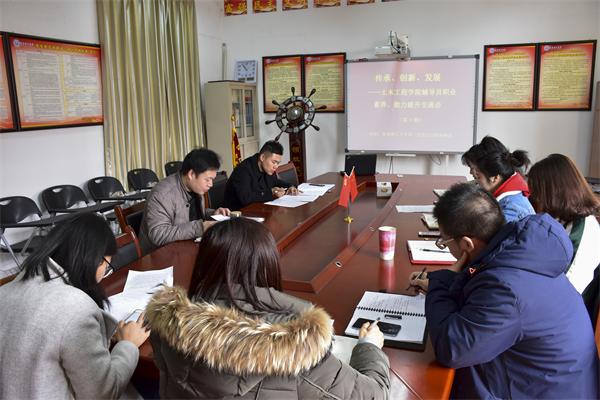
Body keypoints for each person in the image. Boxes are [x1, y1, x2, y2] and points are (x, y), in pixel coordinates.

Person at [145, 218, 390, 399]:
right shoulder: (296, 344)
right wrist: (368, 347)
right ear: (267, 265)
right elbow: (374, 395)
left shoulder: (167, 325)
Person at [408, 183, 598, 399]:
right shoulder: (520, 253)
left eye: (444, 240)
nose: (445, 246)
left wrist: (441, 284)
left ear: (467, 244)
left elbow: (451, 349)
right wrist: (450, 281)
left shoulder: (505, 289)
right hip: (549, 383)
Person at [0, 213, 150, 399]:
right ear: (94, 260)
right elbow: (104, 393)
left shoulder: (5, 291)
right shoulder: (76, 308)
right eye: (106, 268)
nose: (103, 276)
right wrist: (128, 344)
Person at [527, 153, 600, 293]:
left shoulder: (583, 229)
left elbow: (569, 286)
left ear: (553, 193)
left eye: (536, 194)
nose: (535, 200)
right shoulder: (562, 219)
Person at [139, 148, 230, 254]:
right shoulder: (162, 195)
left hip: (186, 246)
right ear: (191, 174)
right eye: (207, 179)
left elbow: (191, 215)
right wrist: (200, 227)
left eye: (212, 179)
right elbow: (158, 234)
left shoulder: (194, 186)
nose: (211, 184)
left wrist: (213, 214)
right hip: (161, 255)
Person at [462, 136, 534, 222]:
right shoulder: (510, 185)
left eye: (477, 173)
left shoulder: (509, 210)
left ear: (495, 177)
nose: (471, 173)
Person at [224, 140, 299, 210]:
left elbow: (275, 181)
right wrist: (271, 192)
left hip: (258, 209)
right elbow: (246, 198)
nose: (276, 166)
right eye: (273, 162)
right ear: (262, 157)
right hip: (237, 213)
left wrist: (290, 186)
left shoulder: (267, 169)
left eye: (278, 163)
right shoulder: (243, 170)